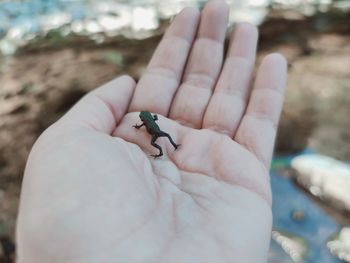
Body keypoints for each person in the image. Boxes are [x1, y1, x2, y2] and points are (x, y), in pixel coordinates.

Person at [16, 0, 287, 262]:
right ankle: (164, 150)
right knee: (164, 140)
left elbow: (146, 120)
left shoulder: (147, 121)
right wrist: (145, 126)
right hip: (158, 132)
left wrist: (147, 127)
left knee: (164, 140)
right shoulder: (146, 122)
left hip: (158, 132)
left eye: (144, 117)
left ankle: (165, 151)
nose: (143, 118)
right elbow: (144, 122)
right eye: (144, 118)